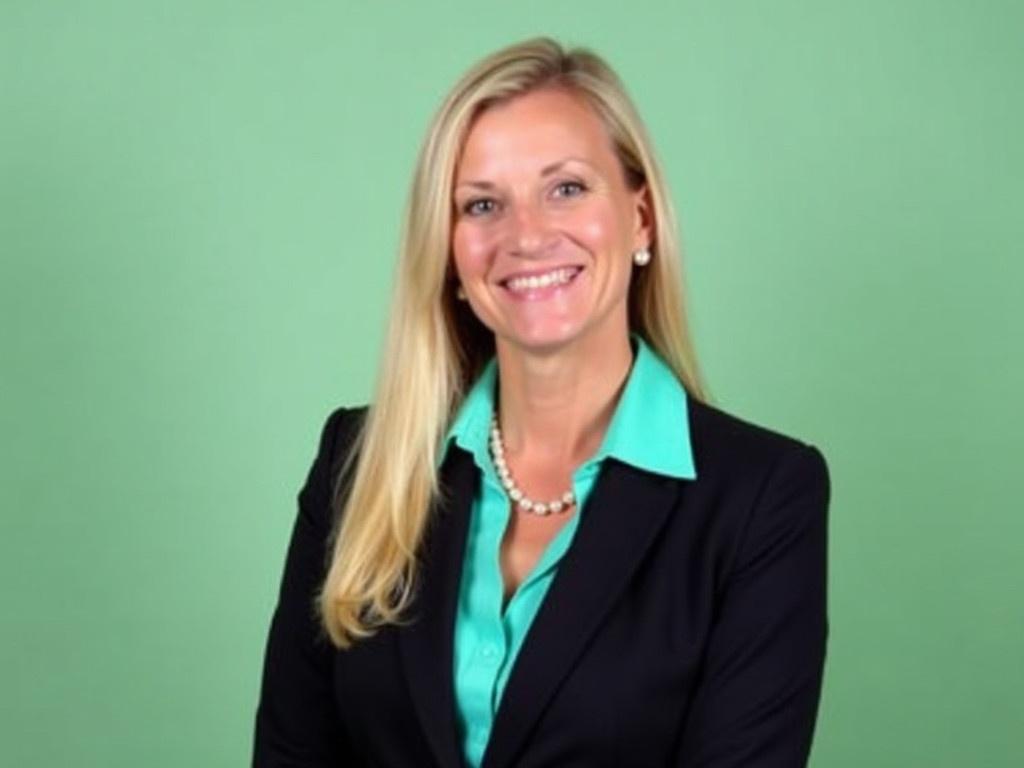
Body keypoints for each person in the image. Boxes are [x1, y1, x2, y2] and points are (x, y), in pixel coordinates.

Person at [253, 37, 830, 768]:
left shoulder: (761, 497)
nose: (525, 235)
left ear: (642, 218)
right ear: (450, 255)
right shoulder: (355, 464)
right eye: (482, 204)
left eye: (566, 188)